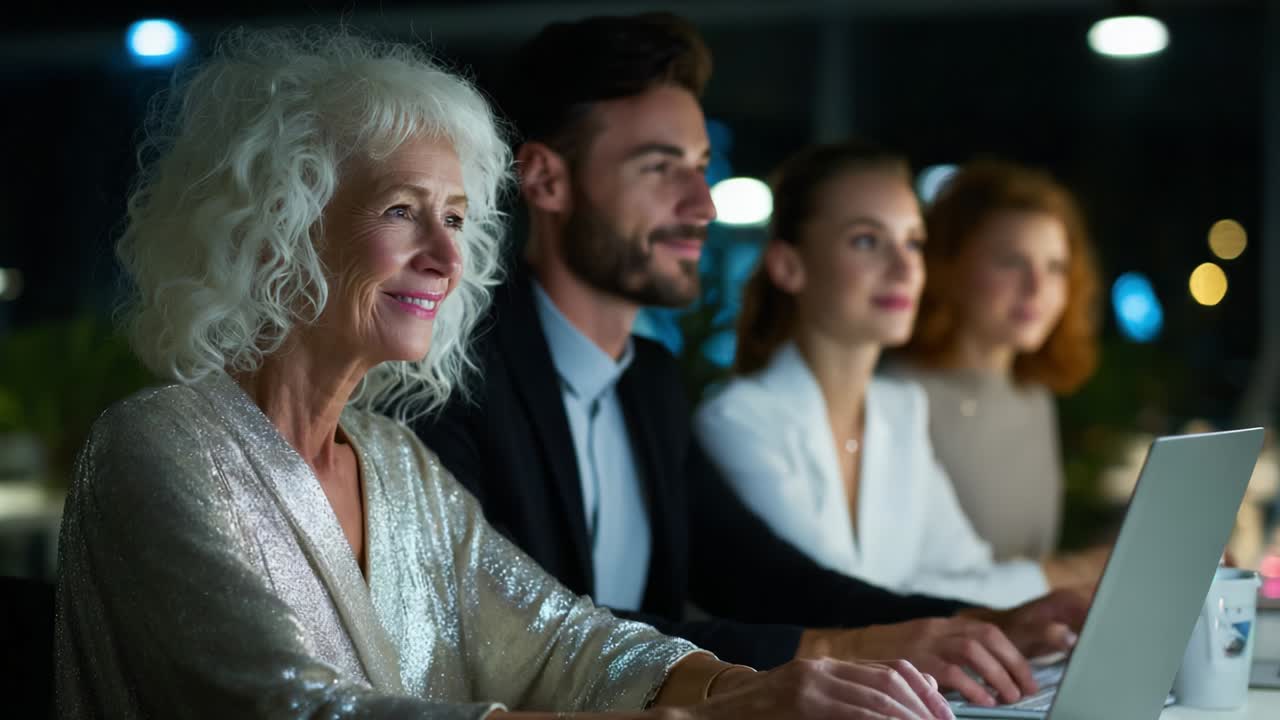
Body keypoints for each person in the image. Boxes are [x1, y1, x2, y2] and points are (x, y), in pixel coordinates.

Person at [52, 26, 956, 720]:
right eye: (403, 211)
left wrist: (741, 691)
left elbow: (567, 642)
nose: (449, 257)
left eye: (457, 216)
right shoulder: (158, 447)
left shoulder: (393, 459)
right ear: (279, 227)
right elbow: (310, 710)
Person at [413, 13, 1087, 709]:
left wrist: (977, 624)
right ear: (547, 182)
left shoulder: (648, 381)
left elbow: (767, 577)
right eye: (659, 168)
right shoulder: (452, 379)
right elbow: (528, 634)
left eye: (701, 168)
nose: (702, 204)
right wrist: (856, 648)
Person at [695, 141, 1101, 610]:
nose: (906, 266)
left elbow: (969, 573)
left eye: (913, 243)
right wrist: (1088, 569)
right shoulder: (738, 419)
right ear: (789, 265)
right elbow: (840, 605)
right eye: (867, 240)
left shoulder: (898, 411)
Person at [895, 159, 1105, 569]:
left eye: (1056, 268)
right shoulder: (895, 397)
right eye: (1011, 262)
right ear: (948, 266)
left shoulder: (1032, 398)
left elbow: (1026, 565)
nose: (1037, 289)